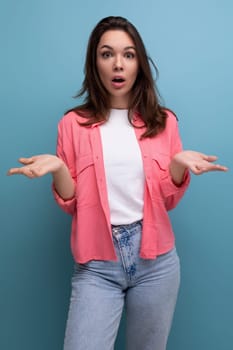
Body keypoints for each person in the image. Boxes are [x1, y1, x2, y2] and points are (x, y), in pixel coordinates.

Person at [8, 16, 227, 350]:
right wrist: (58, 170)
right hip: (97, 264)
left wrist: (178, 167)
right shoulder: (72, 125)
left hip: (157, 262)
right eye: (107, 54)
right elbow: (72, 203)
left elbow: (167, 200)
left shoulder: (163, 122)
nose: (118, 64)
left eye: (128, 54)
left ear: (139, 62)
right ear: (94, 62)